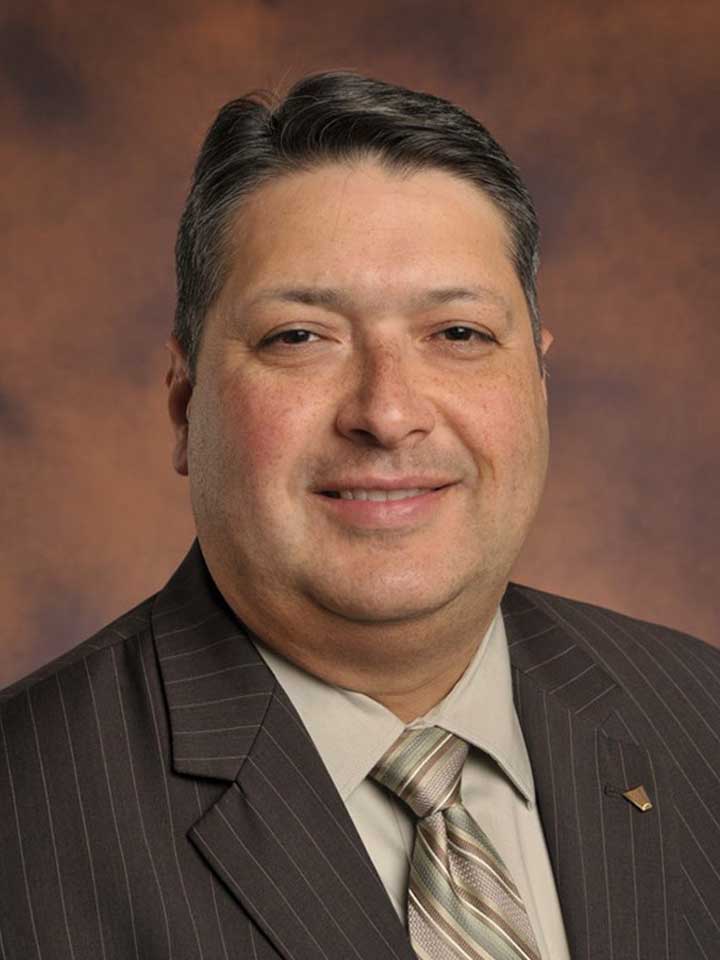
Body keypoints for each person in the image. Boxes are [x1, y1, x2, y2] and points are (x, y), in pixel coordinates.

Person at [1, 71, 717, 960]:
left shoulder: (702, 716)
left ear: (538, 382)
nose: (386, 413)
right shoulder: (25, 817)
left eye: (457, 334)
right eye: (300, 336)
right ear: (186, 405)